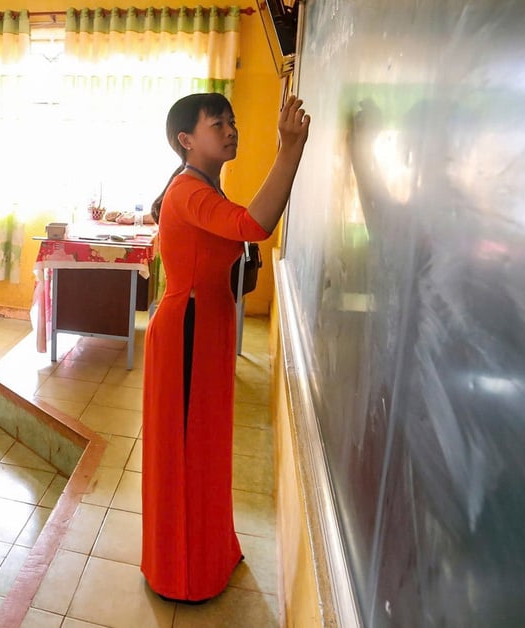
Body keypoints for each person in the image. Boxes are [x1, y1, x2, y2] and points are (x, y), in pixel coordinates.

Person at [141, 93, 309, 603]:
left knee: (207, 447)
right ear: (186, 141)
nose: (231, 129)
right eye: (219, 123)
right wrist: (290, 150)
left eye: (233, 121)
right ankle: (182, 573)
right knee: (188, 453)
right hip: (186, 331)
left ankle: (208, 551)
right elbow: (253, 226)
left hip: (208, 327)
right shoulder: (189, 190)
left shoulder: (206, 186)